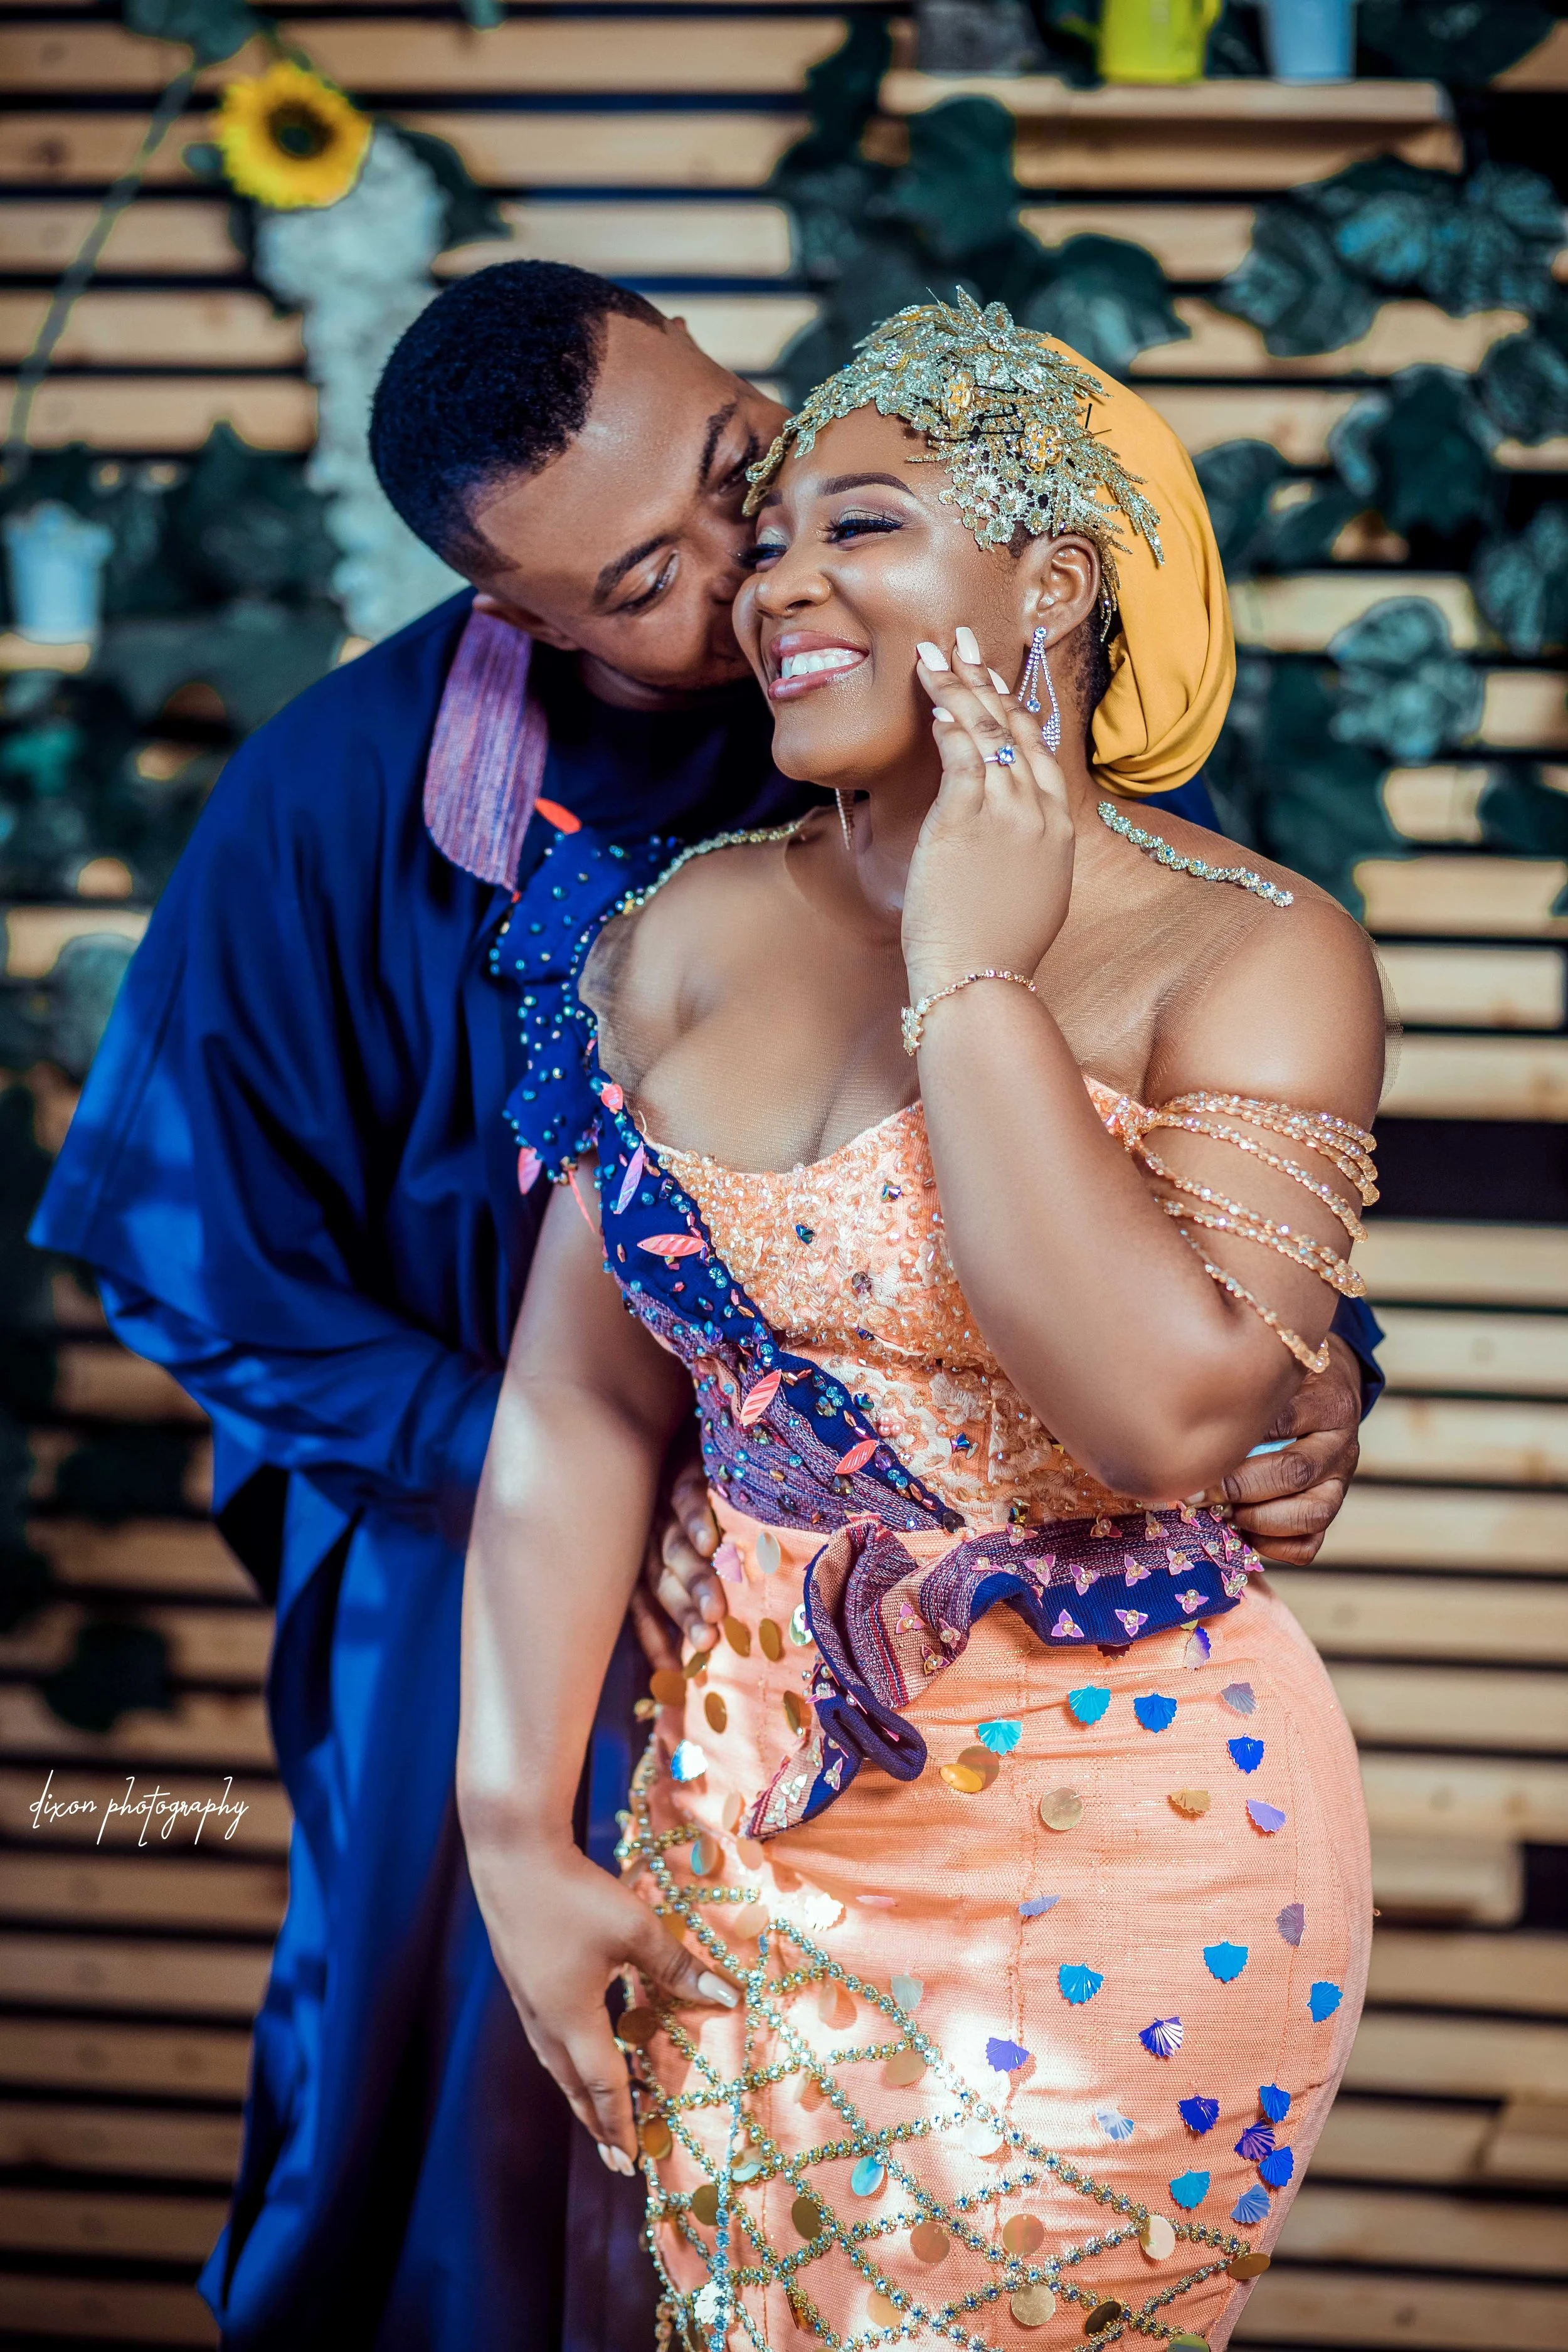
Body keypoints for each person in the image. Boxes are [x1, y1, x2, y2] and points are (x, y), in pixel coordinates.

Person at [32, 265, 1375, 2349]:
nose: (759, 564)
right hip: (491, 1563)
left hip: (1050, 1704)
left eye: (756, 462)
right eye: (665, 570)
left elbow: (1185, 1155)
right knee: (477, 2172)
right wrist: (699, 1452)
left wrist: (1290, 1377)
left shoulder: (955, 721)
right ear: (531, 622)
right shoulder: (342, 807)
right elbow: (197, 1255)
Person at [460, 295, 1383, 2352]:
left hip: (1133, 1837)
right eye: (767, 539)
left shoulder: (1249, 947)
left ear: (1051, 577)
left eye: (852, 525)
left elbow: (1162, 1418)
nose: (775, 581)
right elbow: (582, 1407)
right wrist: (512, 1824)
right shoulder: (672, 931)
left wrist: (972, 971)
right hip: (735, 1817)